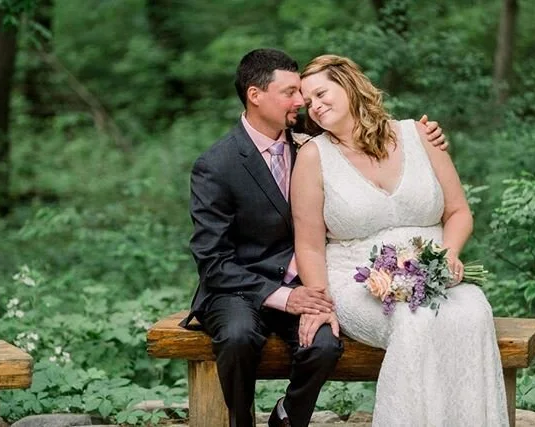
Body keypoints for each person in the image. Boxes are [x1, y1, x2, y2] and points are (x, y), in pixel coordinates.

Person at [186, 48, 447, 427]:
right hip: (238, 288)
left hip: (306, 283)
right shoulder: (216, 165)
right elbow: (213, 261)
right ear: (256, 96)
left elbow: (369, 132)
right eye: (291, 93)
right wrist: (287, 298)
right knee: (239, 338)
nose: (302, 103)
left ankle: (288, 417)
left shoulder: (312, 137)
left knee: (324, 346)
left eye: (303, 96)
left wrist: (430, 138)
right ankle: (240, 420)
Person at [291, 54, 508, 426]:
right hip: (357, 281)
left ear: (348, 84)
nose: (316, 106)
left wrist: (448, 256)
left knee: (473, 312)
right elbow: (309, 244)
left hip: (435, 270)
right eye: (308, 103)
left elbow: (458, 212)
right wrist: (320, 303)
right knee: (414, 320)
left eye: (322, 93)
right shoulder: (313, 157)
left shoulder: (419, 135)